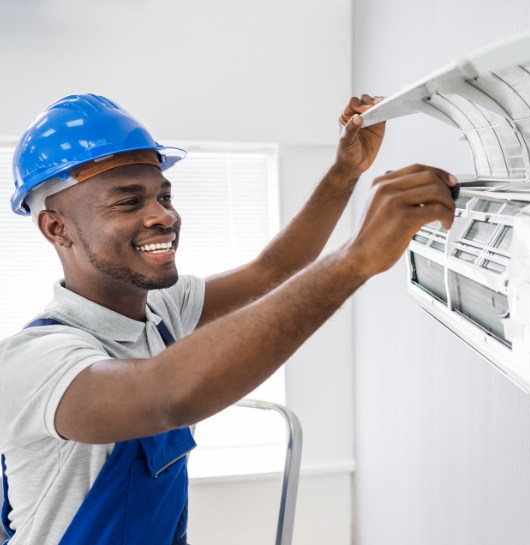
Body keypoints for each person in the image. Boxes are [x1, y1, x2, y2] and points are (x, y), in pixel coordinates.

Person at [0, 93, 457, 545]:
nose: (163, 215)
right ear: (56, 228)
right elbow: (166, 397)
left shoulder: (162, 309)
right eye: (128, 202)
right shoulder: (35, 361)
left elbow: (272, 272)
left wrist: (344, 173)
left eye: (164, 195)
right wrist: (354, 260)